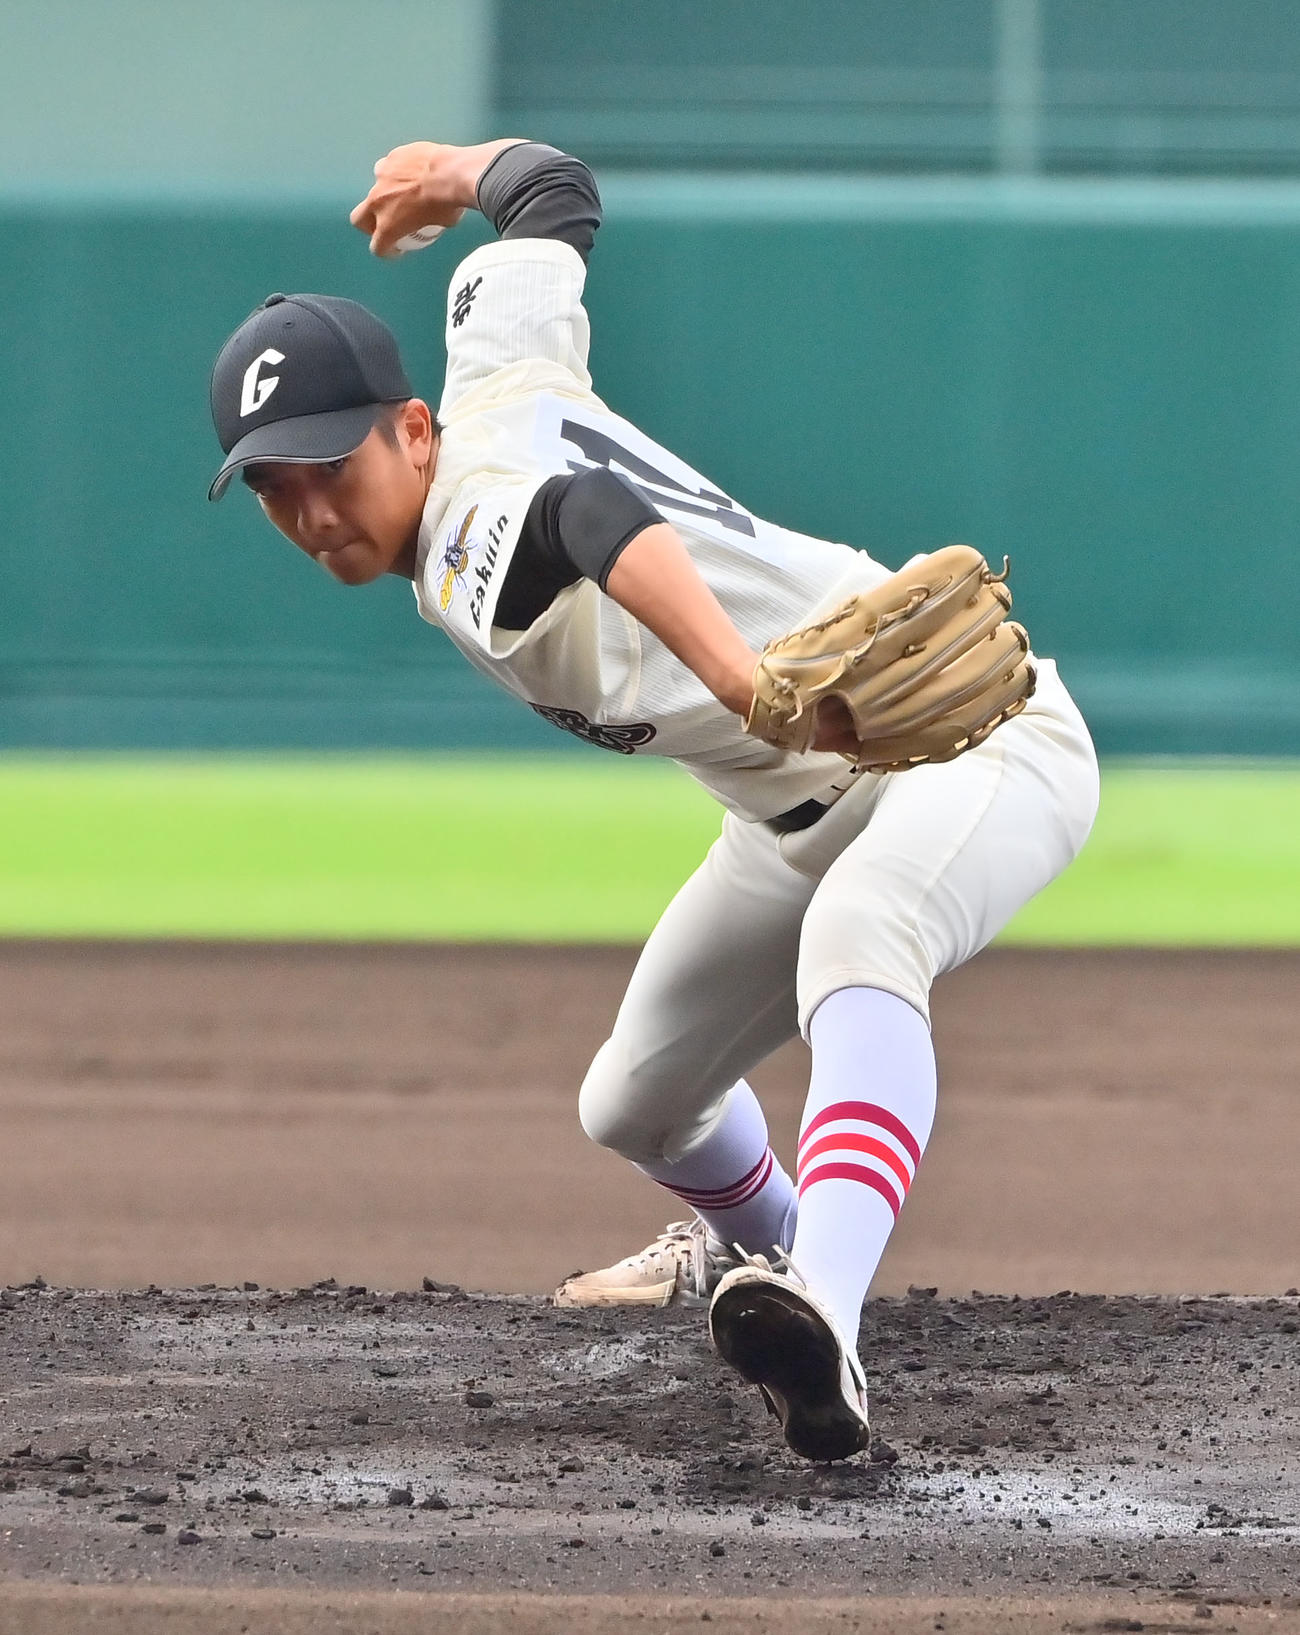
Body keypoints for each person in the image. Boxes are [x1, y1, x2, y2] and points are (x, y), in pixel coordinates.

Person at [208, 138, 1099, 1464]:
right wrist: (456, 173)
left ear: (411, 432)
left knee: (867, 939)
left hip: (966, 748)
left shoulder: (461, 544)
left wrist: (745, 679)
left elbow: (585, 513)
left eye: (330, 470)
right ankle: (765, 1261)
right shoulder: (499, 357)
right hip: (787, 809)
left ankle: (829, 1315)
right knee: (633, 1101)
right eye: (276, 492)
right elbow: (553, 192)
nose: (313, 512)